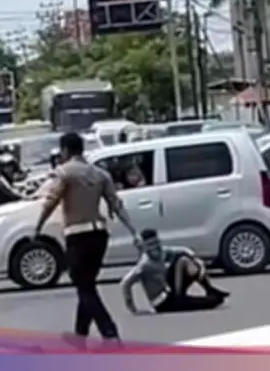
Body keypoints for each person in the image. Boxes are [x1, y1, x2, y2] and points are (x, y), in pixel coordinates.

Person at [34, 132, 137, 346]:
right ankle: (80, 336)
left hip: (78, 235)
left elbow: (51, 201)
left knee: (85, 287)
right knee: (87, 284)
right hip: (99, 234)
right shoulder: (100, 174)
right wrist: (133, 230)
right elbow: (116, 204)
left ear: (65, 150)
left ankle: (109, 333)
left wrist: (38, 226)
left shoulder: (64, 172)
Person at [120, 229, 229, 314]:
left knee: (183, 259)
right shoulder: (144, 265)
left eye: (156, 243)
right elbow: (125, 283)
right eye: (150, 245)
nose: (155, 247)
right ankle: (188, 298)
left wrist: (197, 260)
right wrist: (133, 309)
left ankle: (209, 289)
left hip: (171, 290)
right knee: (214, 301)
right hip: (163, 302)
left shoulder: (162, 252)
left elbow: (184, 250)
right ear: (145, 247)